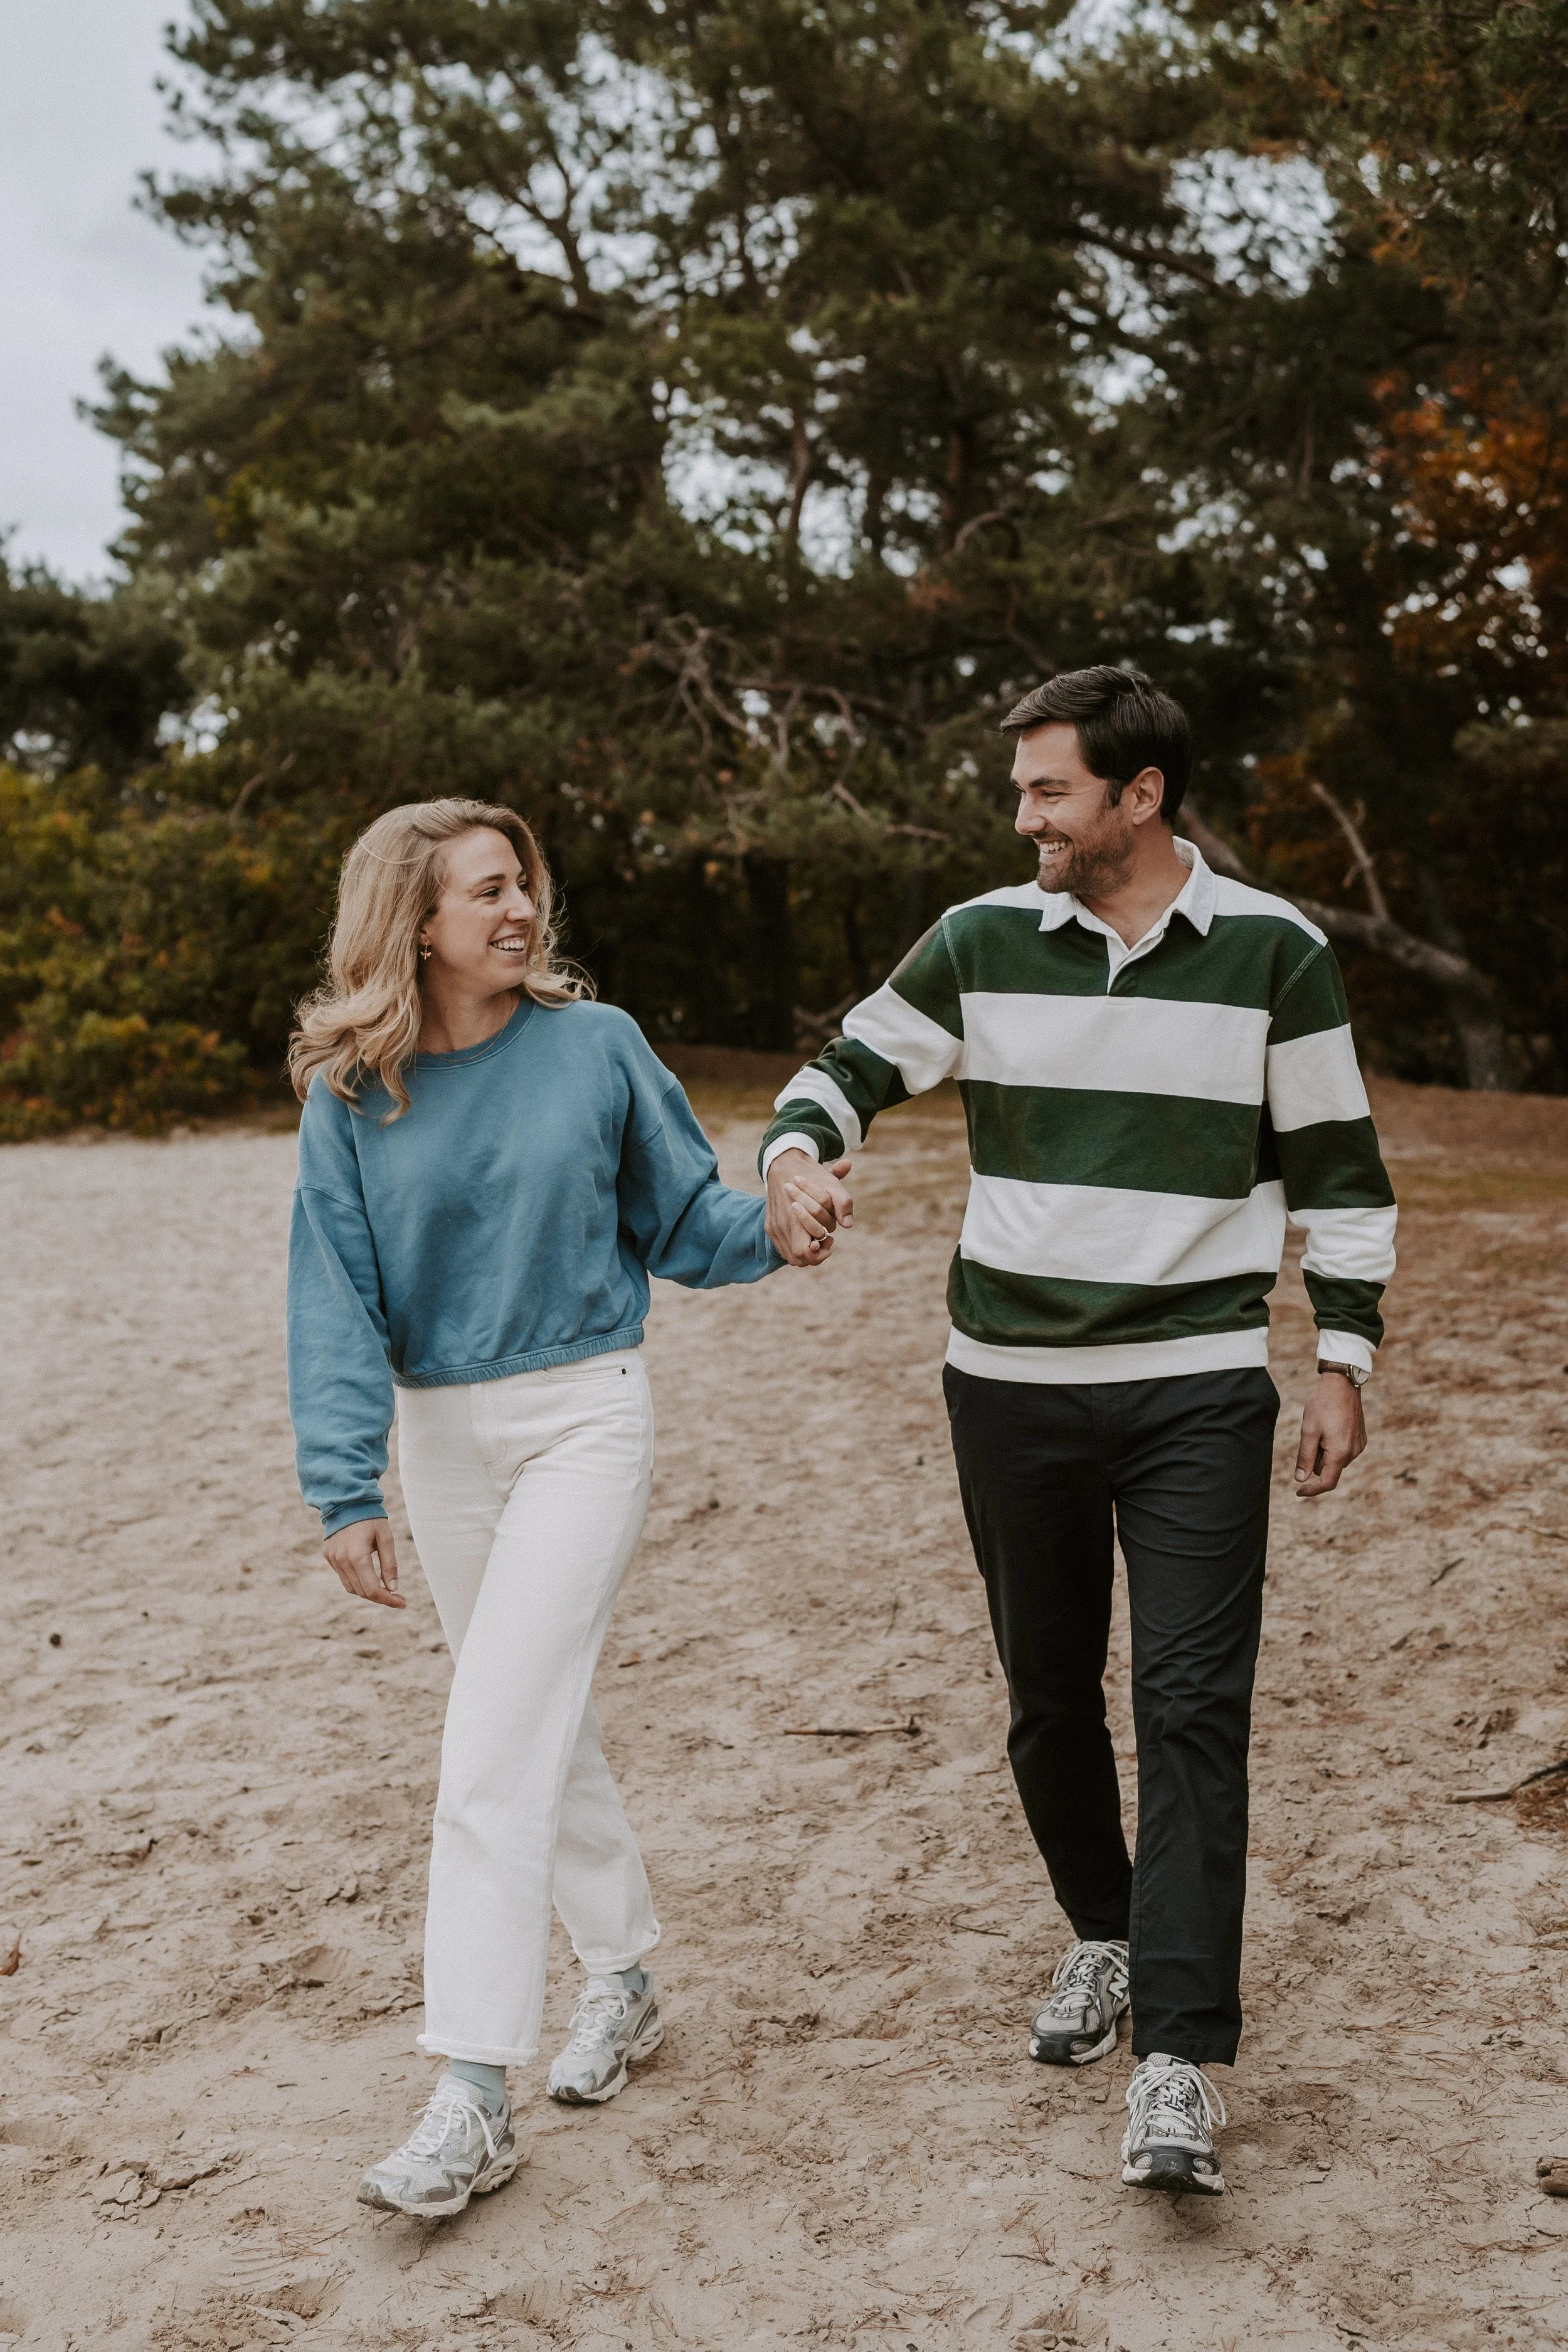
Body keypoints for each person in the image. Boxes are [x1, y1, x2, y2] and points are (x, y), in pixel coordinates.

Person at [761, 667, 1396, 2196]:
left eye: (1048, 789)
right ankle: (1104, 1937)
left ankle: (1176, 2057)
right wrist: (795, 1157)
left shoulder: (1270, 953)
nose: (1023, 814)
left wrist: (1341, 1360)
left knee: (1189, 1709)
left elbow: (1339, 1171)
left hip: (1193, 1387)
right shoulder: (981, 939)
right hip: (1009, 1388)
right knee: (1048, 1698)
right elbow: (844, 1071)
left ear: (1138, 797)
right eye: (1023, 789)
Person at [285, 797, 830, 2220]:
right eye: (484, 893)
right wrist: (344, 1480)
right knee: (536, 1717)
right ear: (413, 923)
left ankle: (470, 2092)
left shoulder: (597, 1048)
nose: (519, 912)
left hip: (585, 1415)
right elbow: (332, 1291)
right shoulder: (352, 1093)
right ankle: (627, 1973)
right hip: (438, 1440)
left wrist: (774, 1222)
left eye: (522, 886)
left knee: (487, 1746)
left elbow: (681, 1219)